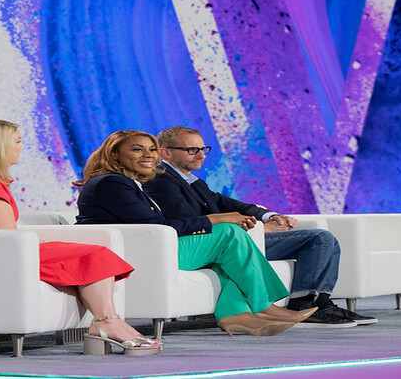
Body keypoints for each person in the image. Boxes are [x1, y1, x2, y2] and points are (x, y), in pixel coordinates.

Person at [0, 119, 162, 356]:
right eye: (17, 141)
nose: (21, 147)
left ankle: (108, 321)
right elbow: (8, 240)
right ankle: (107, 322)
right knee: (96, 254)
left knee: (83, 252)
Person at [73, 129, 317, 337]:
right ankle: (263, 304)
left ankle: (237, 315)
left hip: (148, 249)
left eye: (152, 149)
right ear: (114, 154)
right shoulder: (112, 183)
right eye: (138, 149)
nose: (148, 155)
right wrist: (219, 218)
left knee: (230, 250)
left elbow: (158, 224)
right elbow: (159, 226)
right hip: (136, 256)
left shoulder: (125, 181)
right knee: (228, 234)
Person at [143, 126, 378, 327]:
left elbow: (228, 203)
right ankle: (305, 303)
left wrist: (269, 215)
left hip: (229, 238)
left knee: (325, 239)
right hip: (211, 244)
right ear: (166, 152)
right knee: (318, 239)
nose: (201, 155)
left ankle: (318, 302)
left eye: (203, 149)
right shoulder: (161, 180)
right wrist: (258, 230)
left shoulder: (191, 180)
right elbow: (191, 221)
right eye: (192, 150)